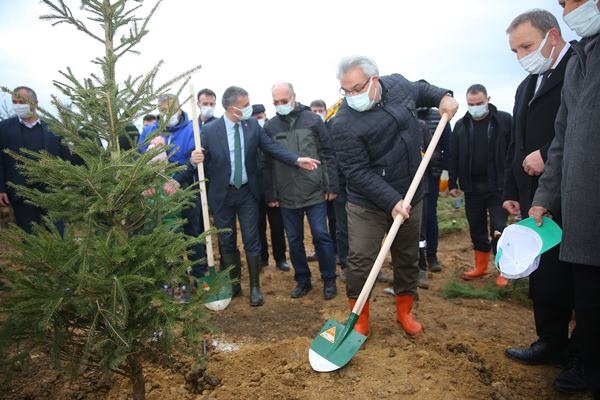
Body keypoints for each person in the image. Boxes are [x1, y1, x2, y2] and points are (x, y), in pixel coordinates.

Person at [331, 56, 458, 337]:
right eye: (345, 90)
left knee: (407, 256)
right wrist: (391, 201)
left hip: (412, 193)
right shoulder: (342, 123)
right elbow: (356, 171)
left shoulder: (398, 85)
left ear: (375, 80)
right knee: (362, 259)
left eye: (356, 88)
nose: (352, 96)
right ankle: (360, 317)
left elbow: (422, 90)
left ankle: (405, 310)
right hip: (367, 203)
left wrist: (443, 97)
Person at [503, 9, 585, 394]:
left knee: (579, 277)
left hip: (575, 194)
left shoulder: (579, 67)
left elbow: (579, 129)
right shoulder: (526, 85)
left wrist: (546, 152)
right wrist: (511, 193)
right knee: (544, 272)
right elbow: (515, 144)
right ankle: (549, 341)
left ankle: (582, 353)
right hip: (532, 196)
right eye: (515, 50)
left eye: (527, 46)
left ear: (553, 36)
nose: (521, 55)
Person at [179, 86, 320, 306]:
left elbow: (272, 148)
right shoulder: (210, 130)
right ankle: (234, 284)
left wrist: (296, 159)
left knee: (251, 239)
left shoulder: (252, 125)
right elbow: (198, 161)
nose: (249, 109)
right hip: (222, 195)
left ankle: (255, 287)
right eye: (244, 106)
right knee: (226, 242)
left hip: (247, 193)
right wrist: (192, 160)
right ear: (230, 108)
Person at [530, 1, 600, 398]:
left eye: (574, 0)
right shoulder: (579, 60)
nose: (570, 8)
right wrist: (545, 196)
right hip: (581, 206)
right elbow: (560, 141)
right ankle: (588, 365)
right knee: (588, 296)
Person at [263, 83, 339, 300]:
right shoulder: (270, 126)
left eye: (283, 100)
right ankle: (302, 279)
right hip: (286, 195)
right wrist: (272, 194)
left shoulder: (313, 120)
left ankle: (329, 278)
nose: (280, 105)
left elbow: (327, 153)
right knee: (294, 240)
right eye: (275, 102)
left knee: (321, 235)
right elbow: (267, 163)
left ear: (293, 97)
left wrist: (331, 185)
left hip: (315, 190)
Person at [138, 94, 208, 279]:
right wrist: (149, 180)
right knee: (167, 234)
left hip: (186, 187)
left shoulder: (192, 128)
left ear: (179, 109)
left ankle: (200, 275)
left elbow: (193, 158)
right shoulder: (149, 131)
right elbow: (139, 158)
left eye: (171, 110)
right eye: (162, 111)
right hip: (158, 191)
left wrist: (177, 179)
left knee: (192, 232)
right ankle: (175, 277)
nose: (167, 114)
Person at [448, 84, 511, 287]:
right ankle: (481, 267)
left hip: (498, 186)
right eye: (471, 104)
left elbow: (513, 151)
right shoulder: (461, 125)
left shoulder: (504, 120)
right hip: (472, 187)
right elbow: (454, 156)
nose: (475, 107)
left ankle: (504, 270)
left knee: (499, 228)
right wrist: (452, 182)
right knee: (476, 228)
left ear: (488, 99)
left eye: (479, 103)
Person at [0, 86, 71, 233]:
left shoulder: (54, 128)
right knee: (29, 238)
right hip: (20, 192)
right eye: (14, 102)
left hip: (52, 192)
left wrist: (66, 183)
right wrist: (1, 189)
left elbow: (65, 158)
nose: (18, 105)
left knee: (59, 234)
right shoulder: (4, 128)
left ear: (35, 103)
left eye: (22, 101)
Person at [252, 104, 290, 272]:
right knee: (258, 226)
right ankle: (262, 258)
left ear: (265, 115)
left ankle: (280, 258)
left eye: (259, 116)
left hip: (274, 188)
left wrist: (275, 192)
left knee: (277, 226)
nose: (257, 120)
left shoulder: (272, 132)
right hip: (255, 191)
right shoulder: (248, 134)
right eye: (254, 117)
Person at [417, 107, 451, 272]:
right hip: (409, 178)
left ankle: (432, 256)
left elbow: (445, 147)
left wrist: (444, 172)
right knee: (416, 221)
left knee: (430, 216)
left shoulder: (438, 117)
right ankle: (418, 259)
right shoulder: (408, 116)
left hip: (431, 175)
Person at [307, 99, 337, 264]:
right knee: (317, 223)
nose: (317, 114)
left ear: (326, 111)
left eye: (320, 110)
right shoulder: (308, 130)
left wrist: (332, 184)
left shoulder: (332, 126)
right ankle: (319, 250)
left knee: (334, 219)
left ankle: (336, 250)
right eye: (314, 111)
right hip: (314, 182)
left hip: (330, 182)